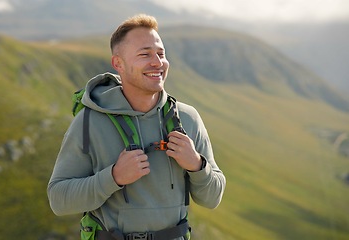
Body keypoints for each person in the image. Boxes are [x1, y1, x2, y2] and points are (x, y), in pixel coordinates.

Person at [48, 14, 225, 239]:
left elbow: (212, 198)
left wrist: (197, 165)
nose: (157, 62)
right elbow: (58, 200)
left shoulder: (187, 118)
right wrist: (113, 177)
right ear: (118, 64)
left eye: (161, 54)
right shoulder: (89, 121)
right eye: (145, 54)